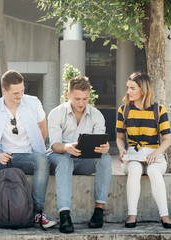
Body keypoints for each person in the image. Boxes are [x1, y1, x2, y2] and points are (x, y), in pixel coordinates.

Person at [0, 70, 57, 229]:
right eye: (15, 93)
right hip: (4, 159)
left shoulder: (34, 103)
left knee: (42, 159)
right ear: (4, 91)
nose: (20, 95)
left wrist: (37, 148)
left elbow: (42, 127)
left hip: (28, 157)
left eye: (22, 90)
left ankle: (37, 213)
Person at [47, 76, 112, 233]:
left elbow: (98, 141)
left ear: (89, 95)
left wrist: (104, 147)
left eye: (85, 98)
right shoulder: (56, 113)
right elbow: (55, 146)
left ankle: (98, 211)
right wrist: (67, 147)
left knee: (106, 157)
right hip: (59, 158)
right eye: (77, 99)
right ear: (69, 96)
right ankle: (65, 215)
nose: (81, 103)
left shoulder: (97, 115)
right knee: (65, 161)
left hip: (83, 161)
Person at [116, 71, 171, 229]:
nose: (128, 91)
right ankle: (132, 216)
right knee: (135, 168)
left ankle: (165, 216)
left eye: (132, 88)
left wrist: (155, 154)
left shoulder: (159, 110)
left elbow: (167, 140)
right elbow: (120, 138)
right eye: (128, 88)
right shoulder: (124, 110)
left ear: (144, 89)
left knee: (154, 170)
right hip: (132, 156)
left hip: (154, 156)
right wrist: (121, 149)